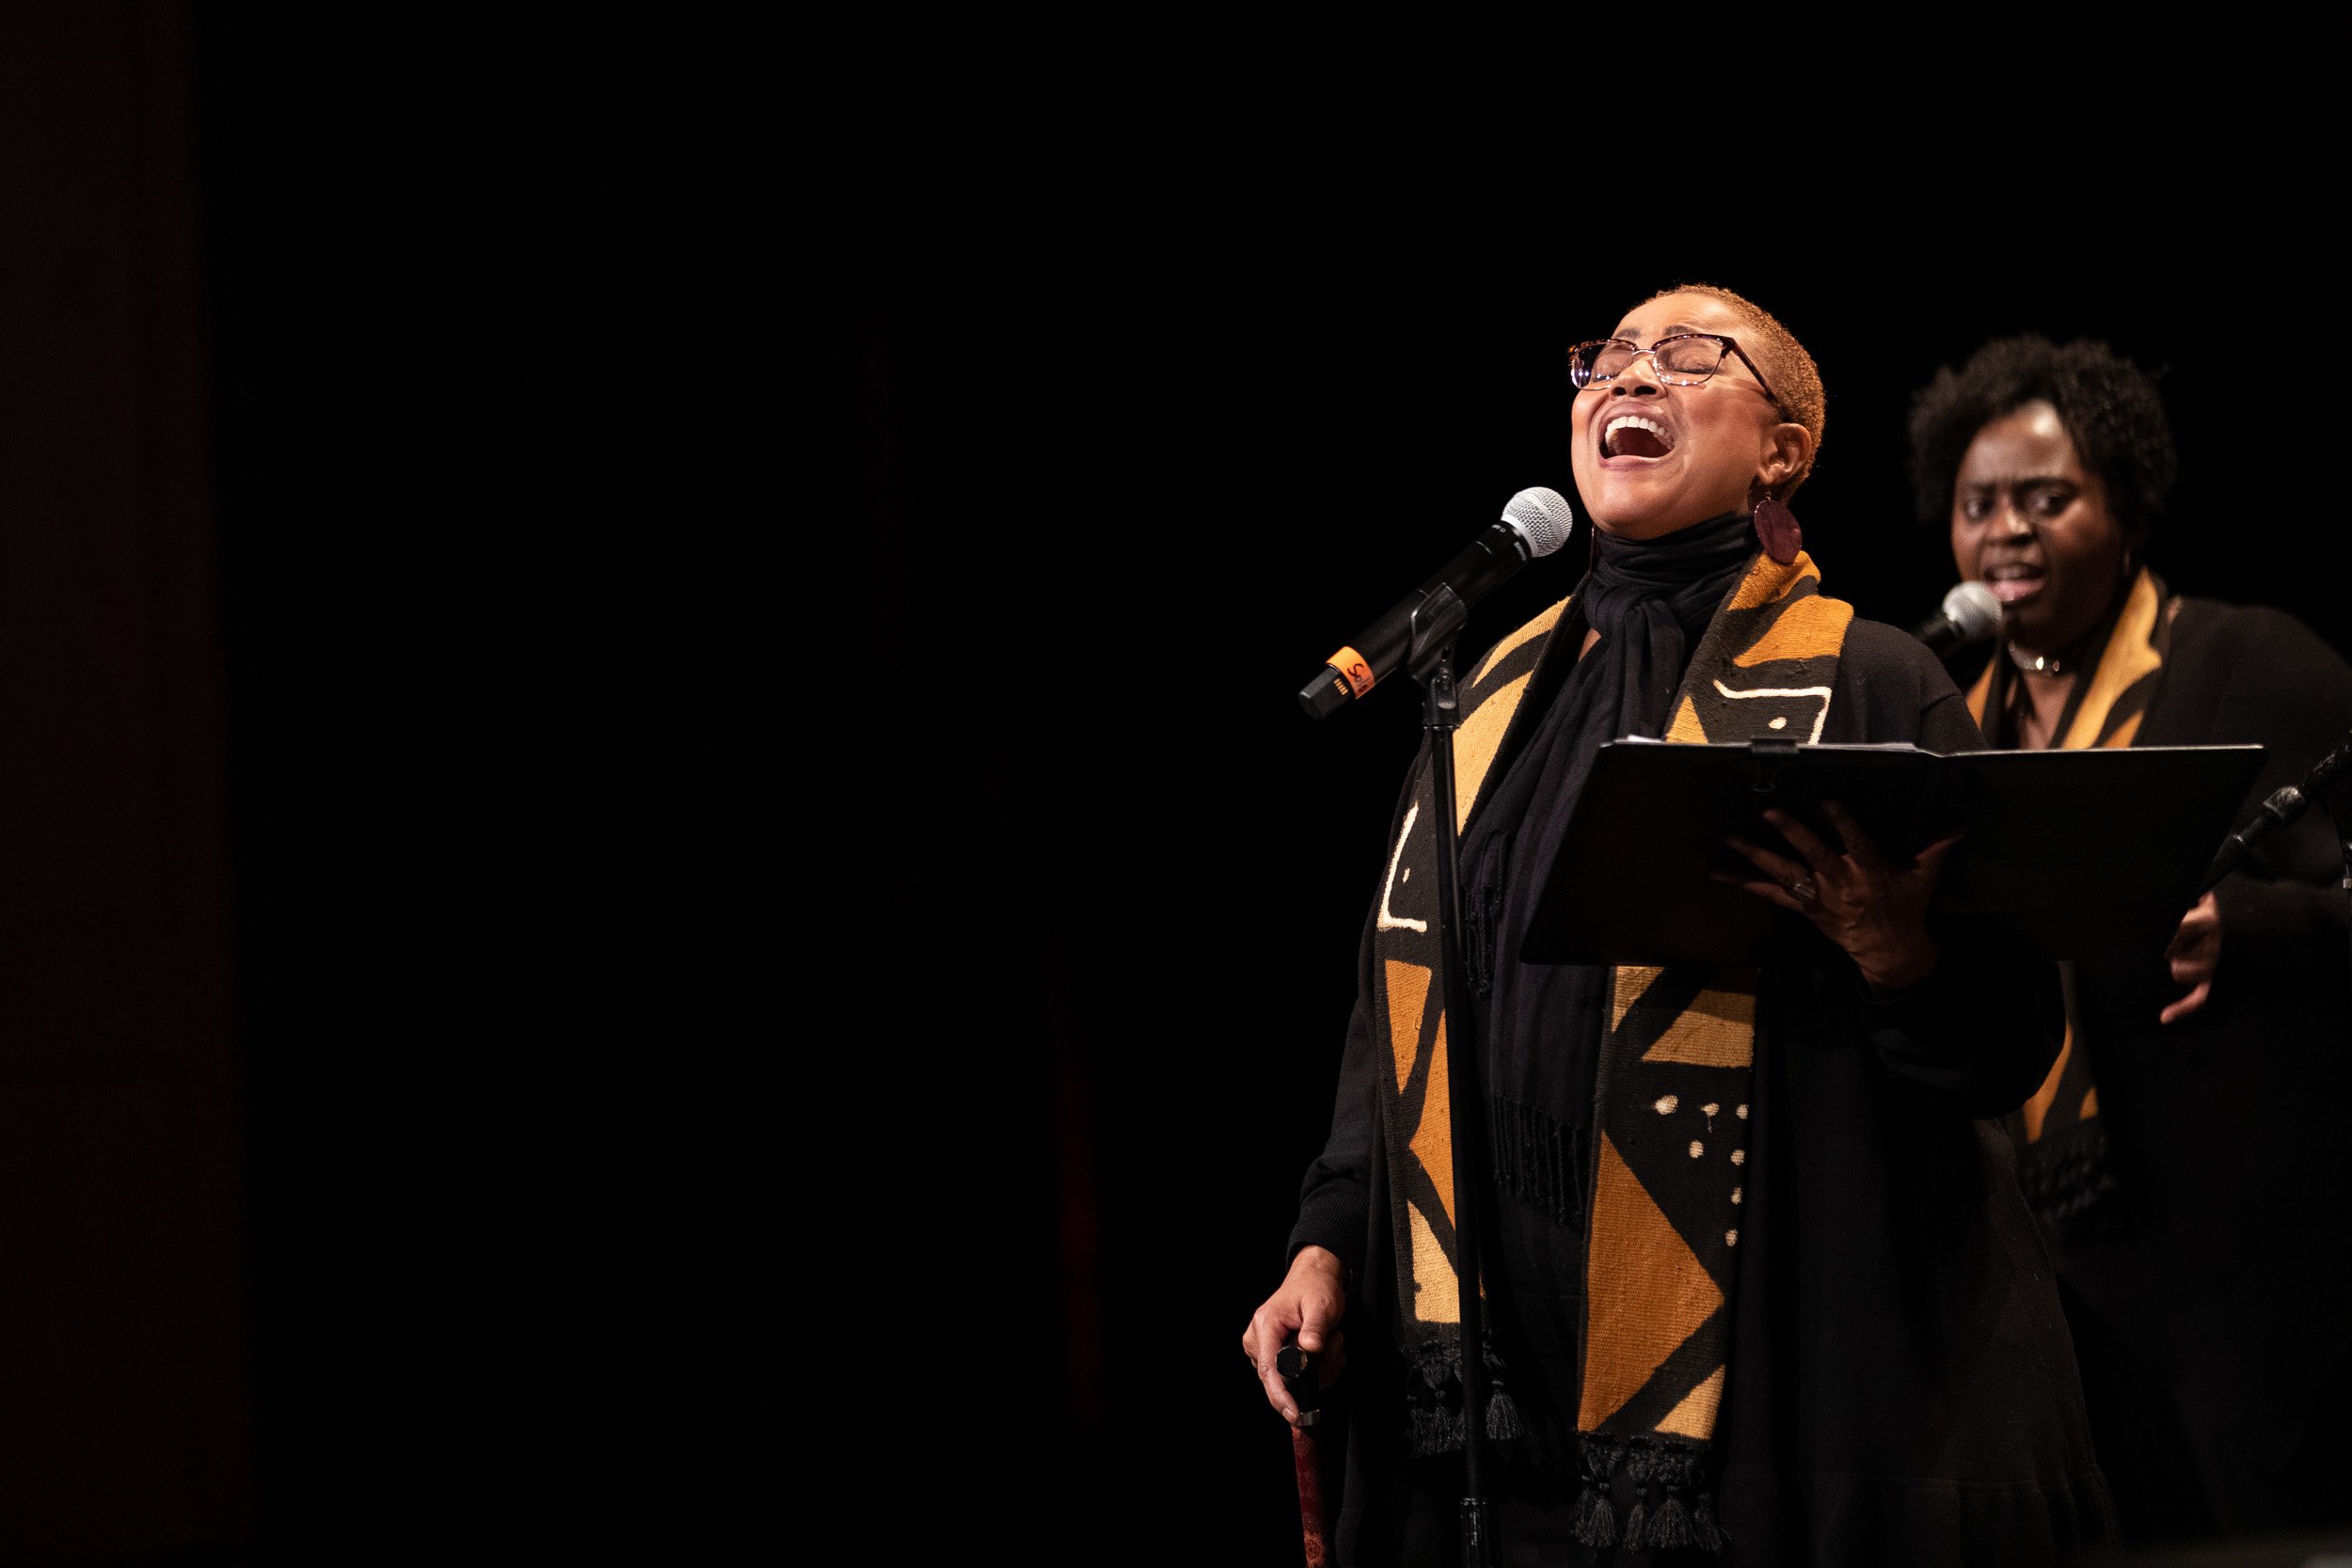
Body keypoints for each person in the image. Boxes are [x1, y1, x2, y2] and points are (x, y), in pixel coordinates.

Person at [1243, 285, 2111, 1565]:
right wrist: (1328, 1237)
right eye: (1607, 359)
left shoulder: (1869, 679)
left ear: (1785, 448)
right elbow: (1402, 1015)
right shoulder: (1481, 697)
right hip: (1510, 1423)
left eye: (1690, 355)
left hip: (1768, 1389)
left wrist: (1896, 953)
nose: (1629, 378)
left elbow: (2008, 1037)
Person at [1910, 335, 2352, 1542]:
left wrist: (2255, 925)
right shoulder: (1950, 717)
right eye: (1978, 505)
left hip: (2262, 1273)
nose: (2007, 530)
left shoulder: (2249, 662)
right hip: (2053, 1266)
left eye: (2046, 499)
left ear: (2123, 505)